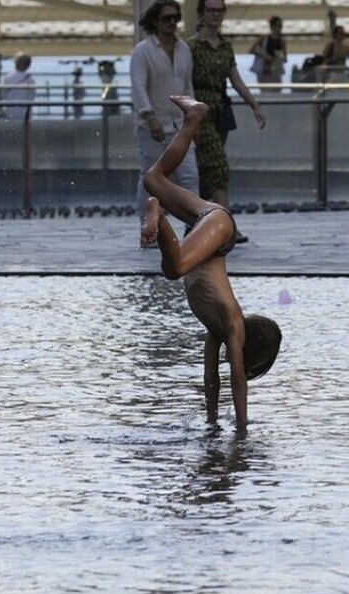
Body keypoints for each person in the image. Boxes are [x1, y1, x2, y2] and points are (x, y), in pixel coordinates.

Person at [139, 95, 282, 432]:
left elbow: (211, 377)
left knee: (153, 178)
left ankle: (193, 117)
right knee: (174, 269)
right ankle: (157, 216)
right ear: (253, 351)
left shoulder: (215, 331)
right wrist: (242, 430)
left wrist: (213, 421)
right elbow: (235, 379)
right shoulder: (232, 324)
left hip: (211, 222)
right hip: (219, 228)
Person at [189, 0, 266, 243]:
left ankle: (204, 223)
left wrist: (253, 103)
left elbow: (234, 78)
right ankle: (227, 226)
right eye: (211, 10)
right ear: (201, 13)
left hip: (220, 109)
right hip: (200, 112)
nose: (216, 15)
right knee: (218, 166)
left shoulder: (225, 46)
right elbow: (183, 80)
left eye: (220, 10)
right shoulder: (191, 46)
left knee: (209, 170)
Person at [130, 0, 199, 235]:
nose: (171, 23)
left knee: (190, 176)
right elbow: (138, 87)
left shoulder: (184, 50)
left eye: (175, 18)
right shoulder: (143, 51)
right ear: (155, 22)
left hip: (180, 125)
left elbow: (187, 86)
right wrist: (149, 117)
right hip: (153, 126)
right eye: (166, 18)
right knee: (150, 178)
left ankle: (194, 226)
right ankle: (146, 226)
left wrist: (193, 118)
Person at [250, 16, 287, 90]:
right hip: (264, 70)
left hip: (276, 70)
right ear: (271, 26)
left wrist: (280, 57)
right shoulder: (264, 38)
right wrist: (265, 55)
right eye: (277, 25)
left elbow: (285, 58)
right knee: (265, 91)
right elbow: (252, 50)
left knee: (277, 91)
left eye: (280, 25)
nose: (279, 28)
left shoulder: (282, 40)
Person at [2, 52, 35, 119]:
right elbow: (32, 96)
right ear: (28, 65)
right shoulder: (30, 79)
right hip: (25, 113)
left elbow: (3, 94)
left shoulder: (8, 77)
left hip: (10, 111)